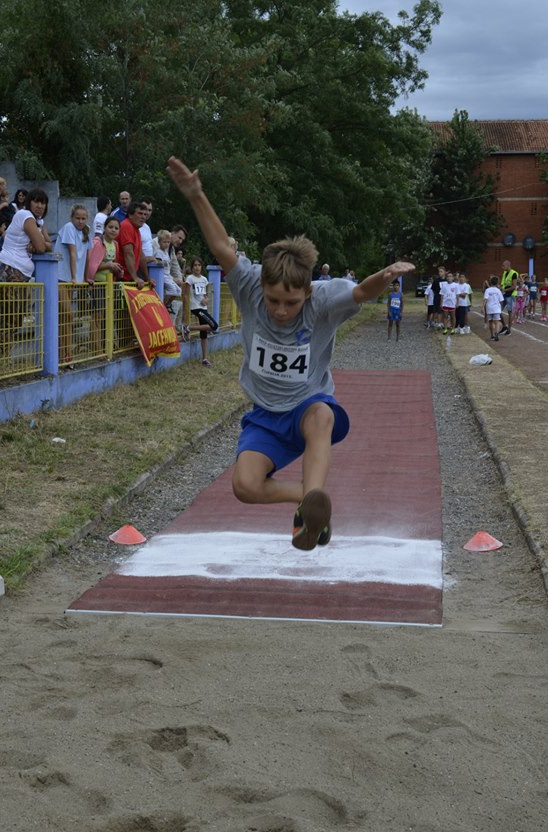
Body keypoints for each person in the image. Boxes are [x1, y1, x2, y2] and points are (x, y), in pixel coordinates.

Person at [167, 155, 414, 550]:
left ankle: (311, 501)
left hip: (306, 406)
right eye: (273, 301)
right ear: (261, 288)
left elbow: (360, 292)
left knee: (322, 414)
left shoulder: (323, 300)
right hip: (266, 415)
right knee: (245, 485)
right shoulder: (249, 286)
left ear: (308, 293)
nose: (281, 311)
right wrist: (196, 194)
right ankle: (311, 503)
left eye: (291, 303)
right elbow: (221, 245)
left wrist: (384, 276)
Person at [0, 188, 51, 348]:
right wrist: (39, 244)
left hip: (18, 273)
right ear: (29, 202)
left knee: (15, 321)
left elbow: (49, 245)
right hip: (8, 269)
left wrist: (40, 243)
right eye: (36, 202)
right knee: (11, 320)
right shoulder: (25, 215)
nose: (40, 206)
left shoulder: (39, 222)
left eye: (43, 203)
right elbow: (42, 247)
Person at [54, 204, 92, 363]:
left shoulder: (86, 231)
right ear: (72, 218)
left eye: (83, 218)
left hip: (72, 280)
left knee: (66, 318)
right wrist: (74, 277)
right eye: (78, 218)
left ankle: (66, 354)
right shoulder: (69, 227)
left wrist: (86, 276)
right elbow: (72, 252)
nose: (80, 221)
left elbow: (87, 257)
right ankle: (61, 353)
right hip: (62, 277)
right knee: (68, 314)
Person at [86, 215, 124, 354]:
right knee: (97, 317)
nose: (113, 230)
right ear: (104, 228)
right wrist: (109, 265)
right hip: (97, 284)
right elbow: (92, 264)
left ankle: (104, 347)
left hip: (110, 285)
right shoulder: (97, 242)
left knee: (106, 316)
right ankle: (96, 350)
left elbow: (113, 264)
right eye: (110, 227)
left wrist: (117, 270)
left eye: (116, 228)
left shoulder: (115, 245)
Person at [184, 256, 219, 366]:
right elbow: (185, 295)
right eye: (195, 265)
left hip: (203, 308)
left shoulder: (204, 279)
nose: (197, 267)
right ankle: (188, 328)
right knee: (214, 326)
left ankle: (205, 359)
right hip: (195, 307)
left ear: (201, 267)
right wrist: (186, 311)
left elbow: (206, 294)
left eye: (199, 265)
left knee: (204, 334)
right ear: (192, 267)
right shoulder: (190, 279)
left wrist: (206, 299)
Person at [116, 201, 154, 289]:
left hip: (127, 277)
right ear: (130, 214)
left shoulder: (136, 229)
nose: (143, 217)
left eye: (145, 214)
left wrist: (147, 278)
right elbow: (128, 253)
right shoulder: (127, 226)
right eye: (140, 213)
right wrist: (135, 277)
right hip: (120, 278)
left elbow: (141, 256)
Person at [483, 276, 505, 342]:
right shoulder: (498, 290)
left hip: (489, 308)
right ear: (497, 283)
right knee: (496, 322)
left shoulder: (487, 290)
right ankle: (496, 334)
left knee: (490, 322)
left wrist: (482, 307)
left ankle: (492, 335)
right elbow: (501, 300)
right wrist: (501, 308)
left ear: (490, 282)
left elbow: (485, 299)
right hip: (496, 308)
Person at [501, 259, 518, 331]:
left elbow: (514, 286)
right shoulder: (505, 273)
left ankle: (509, 329)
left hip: (511, 295)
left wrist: (504, 290)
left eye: (503, 265)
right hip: (504, 294)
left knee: (509, 312)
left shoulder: (514, 273)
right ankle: (504, 326)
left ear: (508, 265)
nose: (502, 267)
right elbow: (503, 284)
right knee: (498, 310)